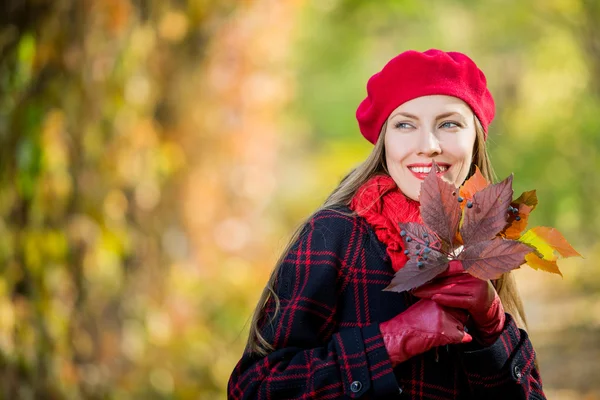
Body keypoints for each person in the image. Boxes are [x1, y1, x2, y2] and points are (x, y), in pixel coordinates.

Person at [227, 49, 547, 399]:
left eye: (450, 123)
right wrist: (390, 342)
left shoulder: (483, 243)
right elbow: (252, 388)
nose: (428, 146)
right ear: (385, 141)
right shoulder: (336, 234)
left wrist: (492, 327)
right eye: (405, 124)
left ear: (476, 139)